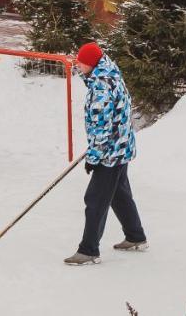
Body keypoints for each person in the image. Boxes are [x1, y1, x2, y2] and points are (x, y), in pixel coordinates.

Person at [65, 42, 147, 266]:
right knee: (119, 195)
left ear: (90, 64)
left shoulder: (101, 87)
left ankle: (88, 250)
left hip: (110, 154)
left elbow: (102, 125)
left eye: (80, 62)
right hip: (121, 148)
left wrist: (94, 156)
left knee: (95, 199)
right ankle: (135, 236)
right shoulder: (110, 74)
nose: (77, 64)